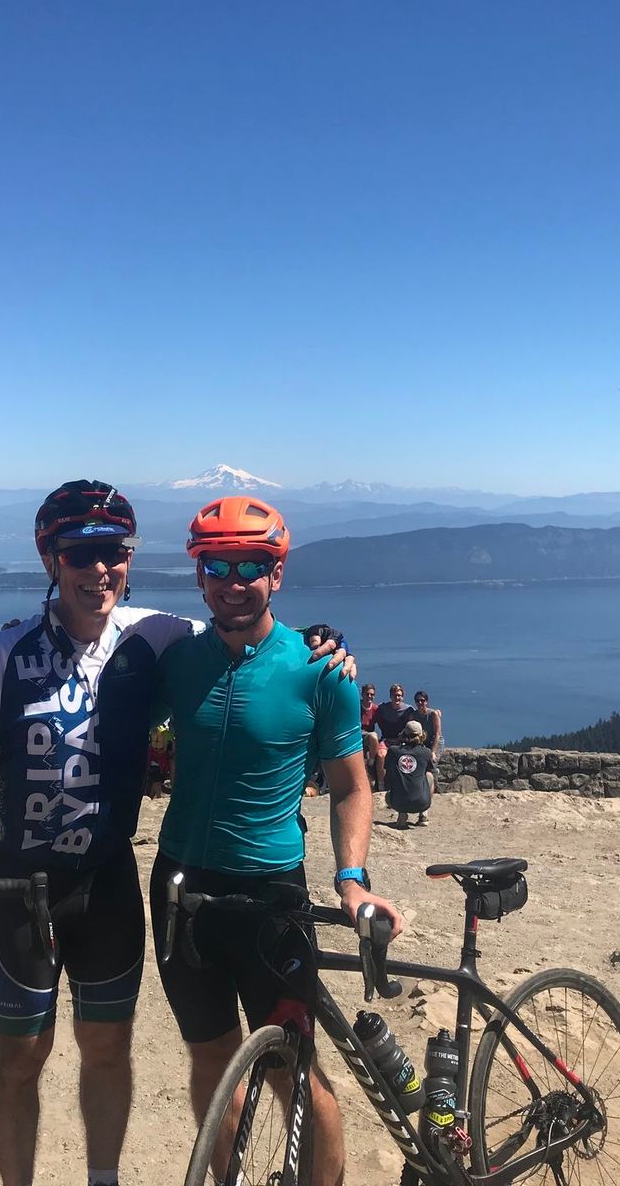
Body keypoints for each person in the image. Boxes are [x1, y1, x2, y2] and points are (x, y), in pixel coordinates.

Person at [0, 480, 346, 1186]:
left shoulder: (155, 637)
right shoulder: (6, 651)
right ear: (51, 560)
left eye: (113, 551)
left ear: (129, 559)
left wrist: (321, 642)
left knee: (107, 1048)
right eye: (81, 554)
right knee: (20, 1055)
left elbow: (245, 632)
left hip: (106, 881)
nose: (99, 568)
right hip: (20, 885)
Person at [149, 495, 404, 1186]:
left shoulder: (320, 670)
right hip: (180, 892)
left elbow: (351, 786)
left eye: (251, 567)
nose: (233, 582)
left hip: (272, 896)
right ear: (198, 574)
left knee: (297, 1071)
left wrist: (351, 879)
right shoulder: (177, 661)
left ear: (278, 573)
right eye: (217, 566)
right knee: (212, 1061)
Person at [384, 718, 436, 828]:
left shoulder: (393, 751)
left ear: (403, 734)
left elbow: (387, 770)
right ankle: (423, 815)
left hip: (397, 802)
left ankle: (402, 815)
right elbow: (431, 769)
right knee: (429, 776)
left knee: (397, 778)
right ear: (421, 735)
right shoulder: (426, 753)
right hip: (421, 803)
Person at [372, 683, 414, 789]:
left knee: (403, 757)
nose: (397, 697)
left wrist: (435, 712)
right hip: (387, 740)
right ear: (390, 696)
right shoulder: (383, 708)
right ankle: (381, 784)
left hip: (402, 741)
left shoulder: (408, 710)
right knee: (381, 755)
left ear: (402, 696)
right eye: (395, 695)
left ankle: (405, 785)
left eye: (399, 695)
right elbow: (372, 712)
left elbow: (416, 722)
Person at [358, 683, 381, 788]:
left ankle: (371, 762)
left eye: (372, 694)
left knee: (373, 736)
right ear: (362, 694)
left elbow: (383, 724)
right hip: (355, 736)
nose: (369, 696)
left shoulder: (375, 709)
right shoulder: (356, 706)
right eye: (367, 694)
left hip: (367, 737)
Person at [411, 689, 443, 755]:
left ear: (426, 702)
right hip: (422, 743)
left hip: (435, 742)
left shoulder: (433, 714)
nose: (420, 702)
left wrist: (433, 752)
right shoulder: (413, 715)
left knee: (432, 759)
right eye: (417, 701)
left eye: (422, 700)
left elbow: (437, 734)